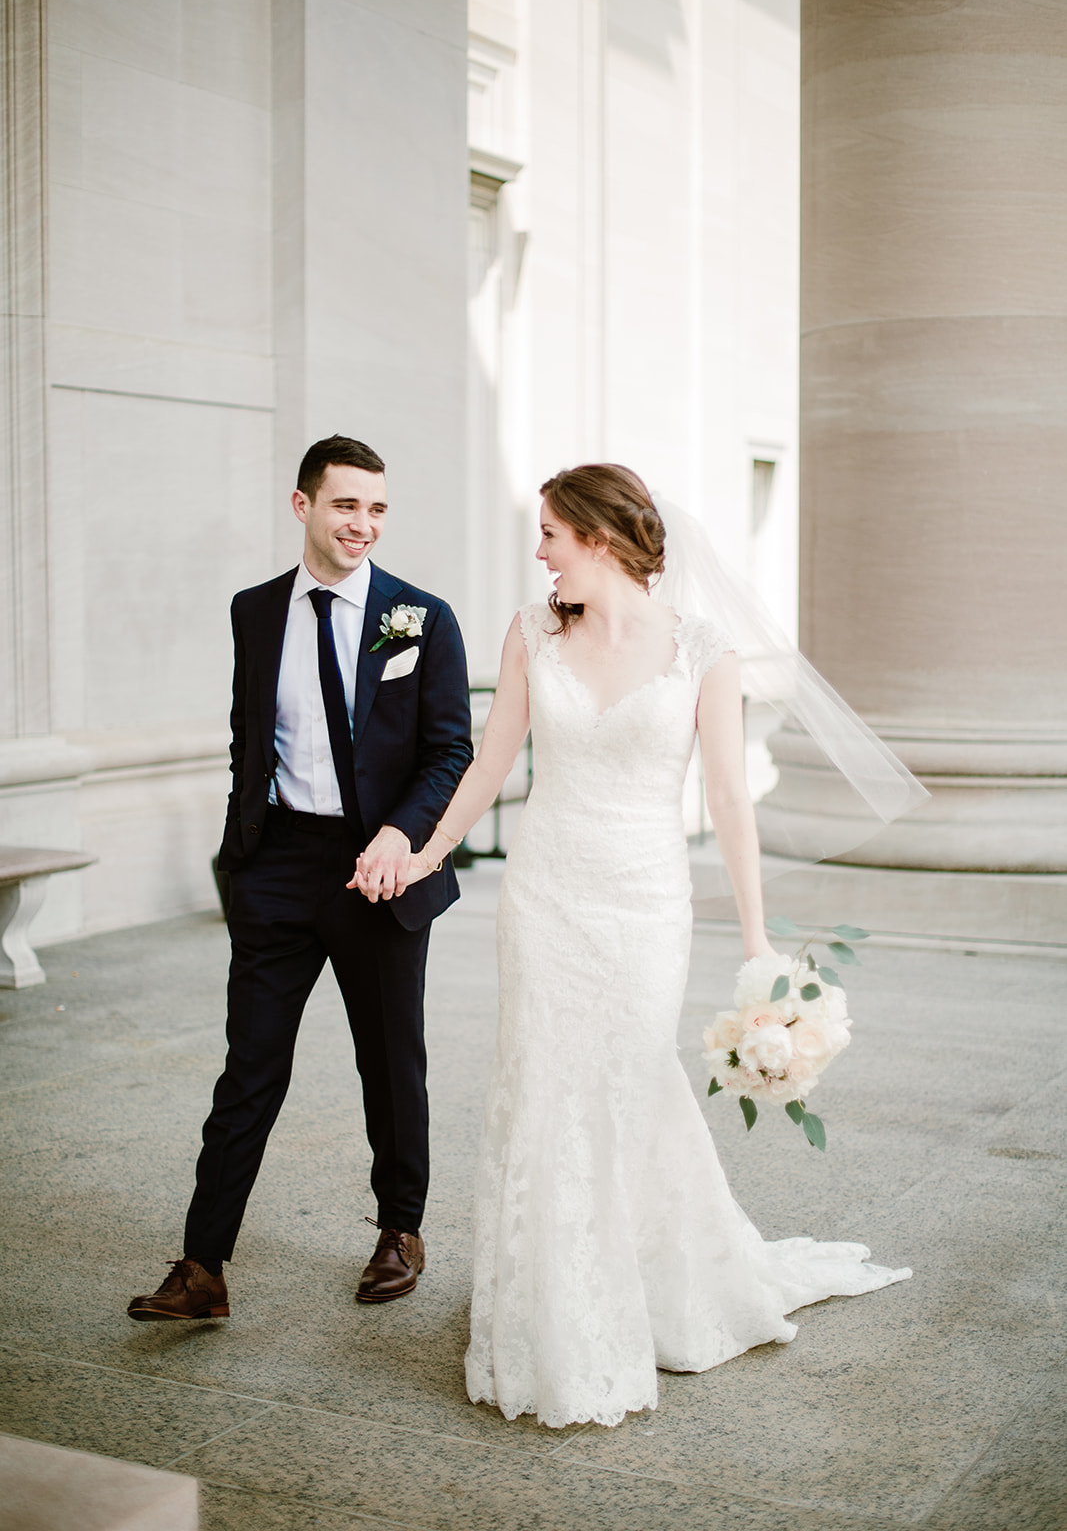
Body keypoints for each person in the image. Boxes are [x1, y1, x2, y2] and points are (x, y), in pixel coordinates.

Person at [354, 463, 910, 1428]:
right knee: (542, 1087)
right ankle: (552, 1310)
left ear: (597, 540)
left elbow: (730, 799)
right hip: (546, 897)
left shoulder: (703, 651)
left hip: (646, 906)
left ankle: (645, 1282)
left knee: (626, 1082)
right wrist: (430, 850)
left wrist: (755, 940)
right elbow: (492, 761)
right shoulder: (533, 633)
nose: (538, 553)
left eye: (550, 536)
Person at [128, 435, 472, 1322]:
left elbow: (449, 752)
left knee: (390, 1062)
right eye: (346, 505)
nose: (363, 524)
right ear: (303, 506)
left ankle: (401, 1227)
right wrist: (243, 852)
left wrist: (400, 835)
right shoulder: (254, 611)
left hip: (380, 870)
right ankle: (202, 1265)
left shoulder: (420, 617)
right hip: (279, 866)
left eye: (377, 509)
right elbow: (252, 737)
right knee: (249, 1068)